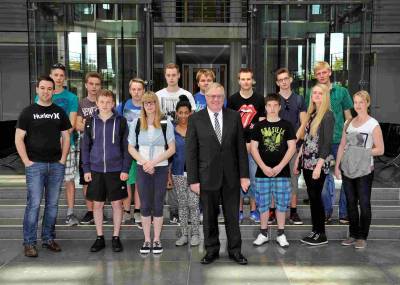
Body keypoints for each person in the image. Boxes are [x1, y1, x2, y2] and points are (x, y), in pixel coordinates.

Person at [186, 83, 250, 265]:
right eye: (212, 96)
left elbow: (240, 149)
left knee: (232, 217)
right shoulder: (195, 119)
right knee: (209, 217)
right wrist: (193, 180)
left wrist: (244, 175)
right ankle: (211, 250)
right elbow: (191, 152)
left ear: (224, 98)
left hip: (231, 176)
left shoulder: (234, 117)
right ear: (205, 97)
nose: (215, 99)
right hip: (206, 177)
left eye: (219, 96)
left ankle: (235, 251)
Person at [15, 76, 71, 257]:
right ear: (37, 89)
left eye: (49, 88)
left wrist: (62, 159)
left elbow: (66, 137)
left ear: (54, 91)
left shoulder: (59, 112)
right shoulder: (28, 112)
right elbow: (18, 138)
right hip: (35, 166)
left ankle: (48, 238)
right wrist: (26, 161)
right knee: (34, 205)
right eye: (43, 88)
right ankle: (29, 242)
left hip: (56, 165)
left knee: (53, 205)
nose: (46, 91)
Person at [81, 89, 131, 253]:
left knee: (117, 204)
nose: (105, 105)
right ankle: (100, 237)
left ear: (113, 104)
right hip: (95, 170)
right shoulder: (89, 121)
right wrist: (86, 168)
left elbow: (126, 147)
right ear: (97, 103)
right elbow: (85, 147)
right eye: (102, 102)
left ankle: (116, 237)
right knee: (98, 204)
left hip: (116, 170)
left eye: (108, 102)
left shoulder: (121, 121)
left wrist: (125, 168)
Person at [335, 90, 384, 249]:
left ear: (367, 103)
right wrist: (337, 166)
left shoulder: (373, 124)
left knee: (364, 204)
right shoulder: (348, 123)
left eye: (361, 102)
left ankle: (362, 236)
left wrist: (360, 152)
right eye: (355, 102)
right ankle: (353, 234)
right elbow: (342, 145)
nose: (358, 105)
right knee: (350, 203)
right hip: (348, 169)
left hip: (364, 170)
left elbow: (380, 149)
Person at [128, 91, 176, 254]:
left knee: (157, 204)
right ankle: (147, 240)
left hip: (160, 168)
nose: (149, 105)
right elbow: (130, 148)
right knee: (145, 204)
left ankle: (157, 240)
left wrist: (153, 163)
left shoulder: (166, 123)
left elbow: (172, 149)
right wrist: (144, 163)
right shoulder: (135, 123)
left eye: (152, 102)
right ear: (143, 105)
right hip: (142, 168)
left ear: (156, 104)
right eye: (146, 103)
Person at [305, 61, 353, 224]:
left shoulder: (342, 91)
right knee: (323, 181)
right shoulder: (313, 93)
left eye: (324, 72)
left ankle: (344, 212)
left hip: (340, 140)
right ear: (315, 76)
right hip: (320, 143)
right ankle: (326, 211)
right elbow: (309, 116)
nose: (321, 76)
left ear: (330, 72)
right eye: (318, 74)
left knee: (346, 176)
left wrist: (349, 138)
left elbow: (348, 116)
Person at [35, 63, 79, 226]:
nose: (58, 78)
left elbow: (72, 123)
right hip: (45, 148)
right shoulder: (41, 96)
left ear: (64, 78)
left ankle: (70, 213)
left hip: (67, 145)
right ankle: (46, 215)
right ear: (51, 76)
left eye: (61, 75)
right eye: (55, 75)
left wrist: (62, 140)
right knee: (46, 181)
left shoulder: (72, 98)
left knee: (68, 180)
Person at [251, 93, 296, 248]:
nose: (272, 108)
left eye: (275, 105)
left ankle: (281, 234)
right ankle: (263, 233)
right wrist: (263, 166)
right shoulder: (258, 126)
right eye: (269, 105)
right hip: (262, 172)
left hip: (281, 172)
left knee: (282, 203)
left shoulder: (287, 125)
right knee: (262, 203)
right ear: (265, 107)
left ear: (279, 107)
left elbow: (292, 147)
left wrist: (280, 166)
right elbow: (253, 148)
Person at [295, 83, 335, 246]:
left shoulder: (327, 115)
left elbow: (326, 144)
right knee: (312, 197)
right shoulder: (312, 114)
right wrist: (298, 158)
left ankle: (321, 234)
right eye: (314, 93)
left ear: (325, 96)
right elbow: (305, 140)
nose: (316, 95)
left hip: (318, 163)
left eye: (320, 93)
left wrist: (319, 166)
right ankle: (315, 230)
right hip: (307, 161)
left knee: (316, 198)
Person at [156, 63, 195, 224]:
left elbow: (192, 117)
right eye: (168, 75)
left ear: (179, 75)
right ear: (165, 76)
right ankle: (173, 211)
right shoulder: (158, 95)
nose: (171, 77)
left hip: (181, 136)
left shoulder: (187, 95)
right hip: (163, 139)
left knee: (181, 171)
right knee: (170, 173)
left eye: (174, 74)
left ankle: (190, 210)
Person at [227, 68, 265, 224]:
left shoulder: (259, 99)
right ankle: (239, 210)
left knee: (255, 178)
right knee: (238, 179)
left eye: (248, 79)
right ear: (238, 81)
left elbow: (262, 123)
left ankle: (255, 210)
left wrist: (252, 144)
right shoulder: (233, 100)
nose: (246, 82)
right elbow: (230, 125)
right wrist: (241, 144)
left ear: (252, 80)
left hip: (255, 147)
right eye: (243, 79)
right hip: (237, 146)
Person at [276, 68, 307, 225]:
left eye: (286, 78)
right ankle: (273, 211)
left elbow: (303, 123)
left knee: (293, 179)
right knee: (275, 179)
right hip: (275, 147)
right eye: (280, 79)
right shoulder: (274, 99)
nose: (284, 81)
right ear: (277, 82)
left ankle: (293, 212)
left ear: (290, 80)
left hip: (294, 146)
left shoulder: (299, 99)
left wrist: (294, 141)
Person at [116, 78, 145, 227]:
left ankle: (138, 210)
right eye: (134, 89)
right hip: (127, 149)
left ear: (143, 91)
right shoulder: (122, 107)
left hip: (143, 150)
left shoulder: (148, 106)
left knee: (140, 181)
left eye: (139, 89)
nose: (136, 92)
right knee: (127, 180)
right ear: (129, 90)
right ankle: (126, 210)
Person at [172, 96, 201, 247]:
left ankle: (196, 234)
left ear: (190, 113)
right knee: (182, 204)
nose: (183, 115)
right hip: (177, 172)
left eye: (186, 112)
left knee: (193, 204)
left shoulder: (196, 129)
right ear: (177, 113)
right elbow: (169, 153)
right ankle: (184, 234)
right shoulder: (171, 130)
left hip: (194, 173)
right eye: (180, 112)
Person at [76, 72, 102, 225]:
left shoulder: (105, 102)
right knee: (86, 180)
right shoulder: (81, 103)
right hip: (86, 149)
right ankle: (90, 211)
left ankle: (99, 210)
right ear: (86, 85)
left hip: (102, 150)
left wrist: (86, 123)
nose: (94, 87)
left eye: (97, 84)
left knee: (101, 180)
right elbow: (77, 124)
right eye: (91, 84)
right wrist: (91, 126)